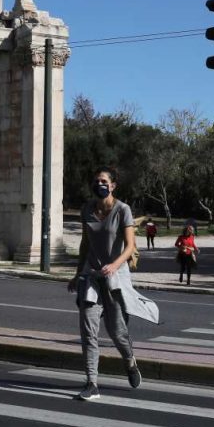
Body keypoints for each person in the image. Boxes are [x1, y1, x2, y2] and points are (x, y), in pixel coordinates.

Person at [68, 167, 159, 401]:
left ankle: (129, 361)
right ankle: (92, 383)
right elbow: (85, 245)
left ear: (113, 185)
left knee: (117, 332)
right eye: (96, 180)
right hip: (91, 277)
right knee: (88, 332)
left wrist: (115, 265)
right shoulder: (87, 209)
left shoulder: (122, 210)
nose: (100, 184)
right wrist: (77, 274)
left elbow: (130, 245)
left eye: (104, 181)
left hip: (115, 277)